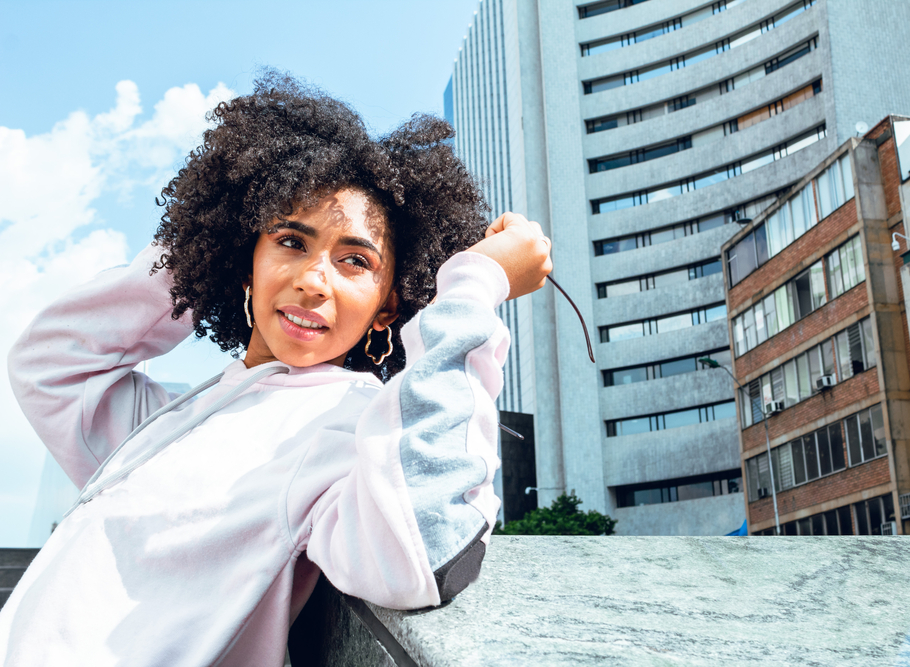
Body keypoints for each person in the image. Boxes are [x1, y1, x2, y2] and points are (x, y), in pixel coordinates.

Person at [1, 72, 551, 665]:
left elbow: (424, 549)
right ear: (248, 261)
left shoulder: (352, 422)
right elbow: (52, 362)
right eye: (290, 241)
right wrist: (193, 258)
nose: (313, 281)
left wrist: (473, 287)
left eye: (355, 260)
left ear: (386, 306)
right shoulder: (173, 418)